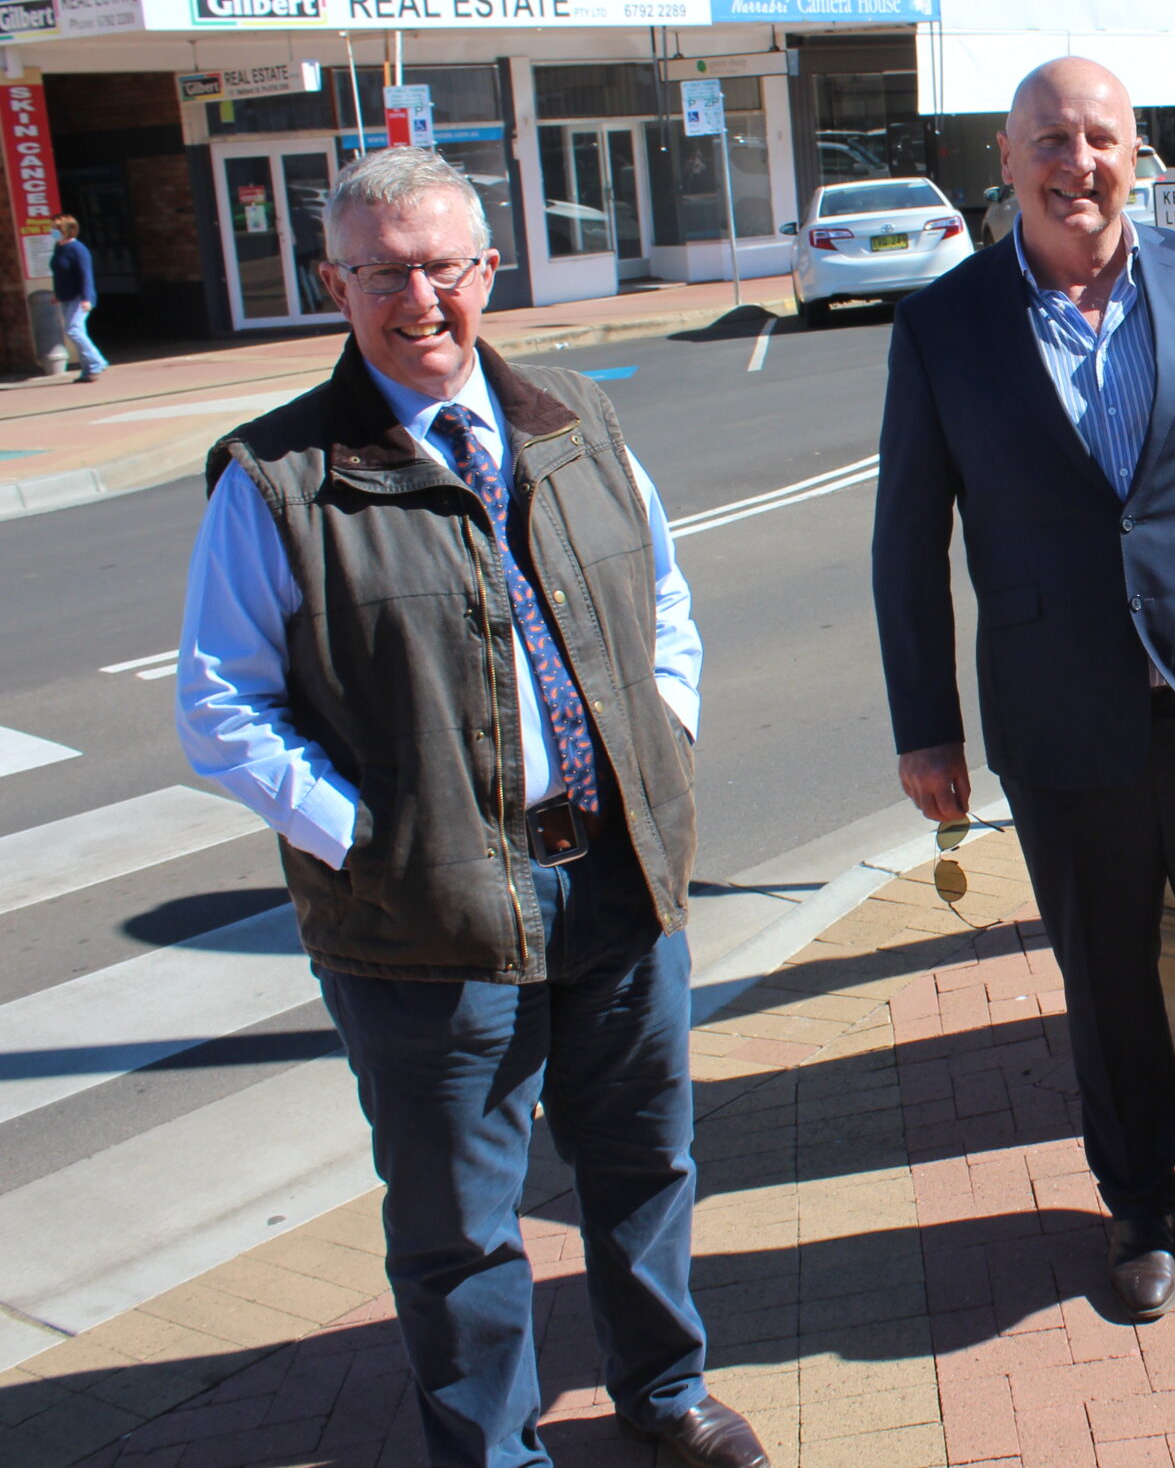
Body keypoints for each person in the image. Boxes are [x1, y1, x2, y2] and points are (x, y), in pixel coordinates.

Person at [173, 148, 764, 1468]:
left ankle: (666, 1392)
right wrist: (369, 840)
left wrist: (661, 737)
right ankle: (496, 1452)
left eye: (441, 264)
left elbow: (663, 599)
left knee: (644, 1170)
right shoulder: (279, 478)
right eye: (383, 271)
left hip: (614, 874)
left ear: (486, 270)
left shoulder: (574, 423)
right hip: (427, 917)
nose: (418, 296)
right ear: (336, 283)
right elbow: (220, 703)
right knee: (461, 1225)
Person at [873, 58, 1175, 1322]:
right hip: (1057, 712)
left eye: (1100, 140)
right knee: (1109, 978)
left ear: (1138, 155)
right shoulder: (943, 324)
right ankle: (1139, 1209)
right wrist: (929, 726)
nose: (1076, 164)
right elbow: (908, 542)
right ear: (1008, 161)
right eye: (1049, 142)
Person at [50, 214, 106, 381]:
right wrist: (57, 293)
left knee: (73, 330)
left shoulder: (78, 249)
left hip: (79, 297)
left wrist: (86, 298)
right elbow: (60, 273)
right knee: (77, 331)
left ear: (67, 230)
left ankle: (97, 362)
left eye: (55, 229)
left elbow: (86, 275)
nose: (52, 232)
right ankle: (88, 370)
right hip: (66, 297)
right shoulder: (59, 248)